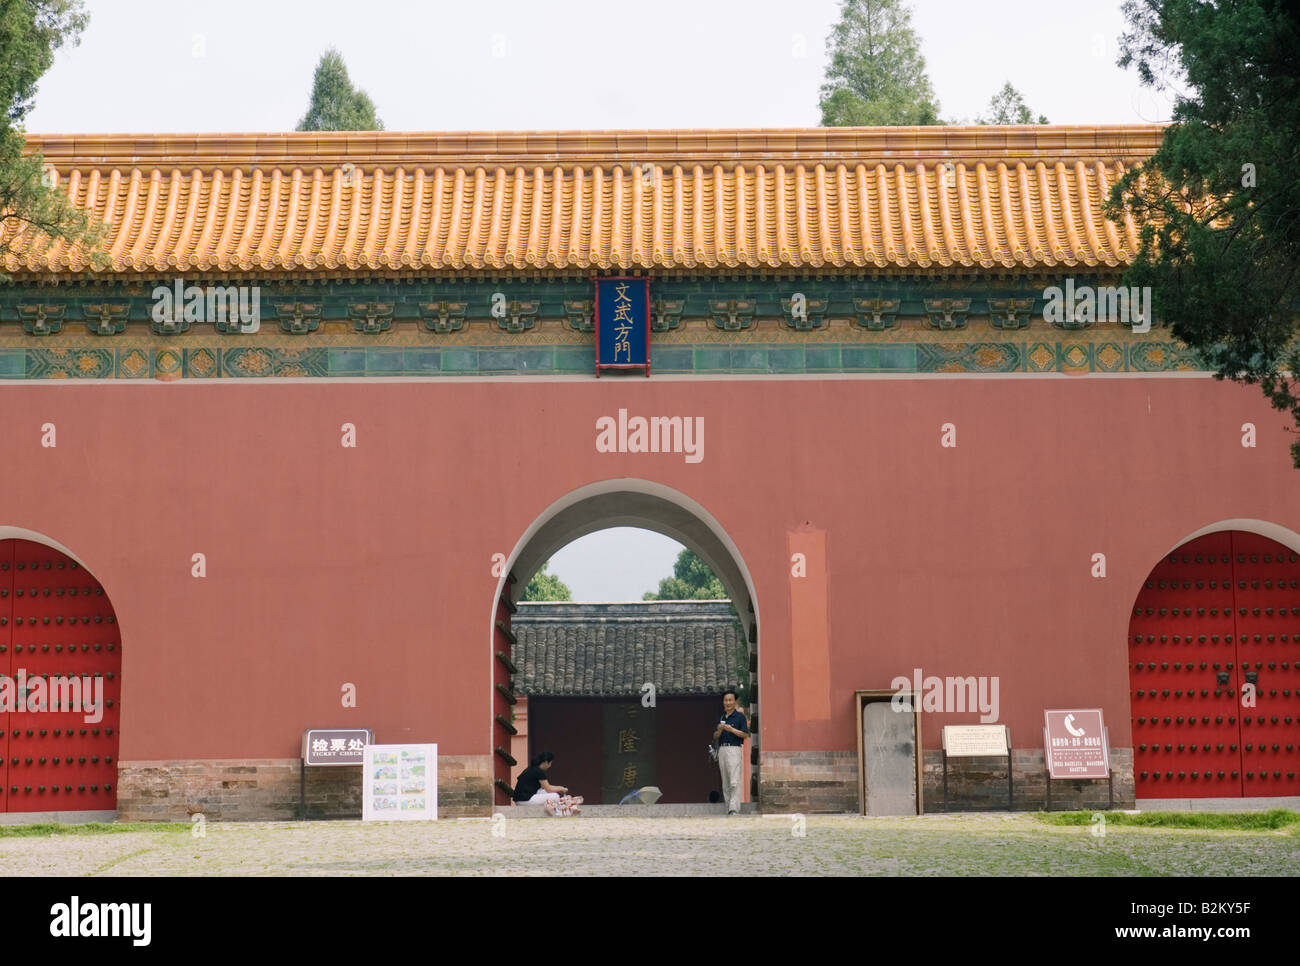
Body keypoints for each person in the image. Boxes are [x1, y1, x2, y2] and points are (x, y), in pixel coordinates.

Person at [712, 690, 749, 815]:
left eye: (730, 700)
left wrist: (731, 729)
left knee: (734, 781)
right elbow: (715, 736)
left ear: (735, 702)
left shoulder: (740, 717)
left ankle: (734, 808)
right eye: (726, 700)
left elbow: (745, 734)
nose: (728, 703)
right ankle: (728, 808)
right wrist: (719, 730)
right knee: (726, 781)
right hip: (722, 749)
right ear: (723, 702)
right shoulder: (722, 717)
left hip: (734, 749)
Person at [512, 751, 582, 815]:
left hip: (520, 799)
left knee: (544, 792)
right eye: (550, 763)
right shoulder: (539, 771)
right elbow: (549, 789)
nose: (550, 766)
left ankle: (563, 805)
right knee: (555, 796)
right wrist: (561, 788)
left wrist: (559, 788)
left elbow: (546, 787)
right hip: (525, 800)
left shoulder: (531, 768)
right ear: (546, 762)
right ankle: (564, 809)